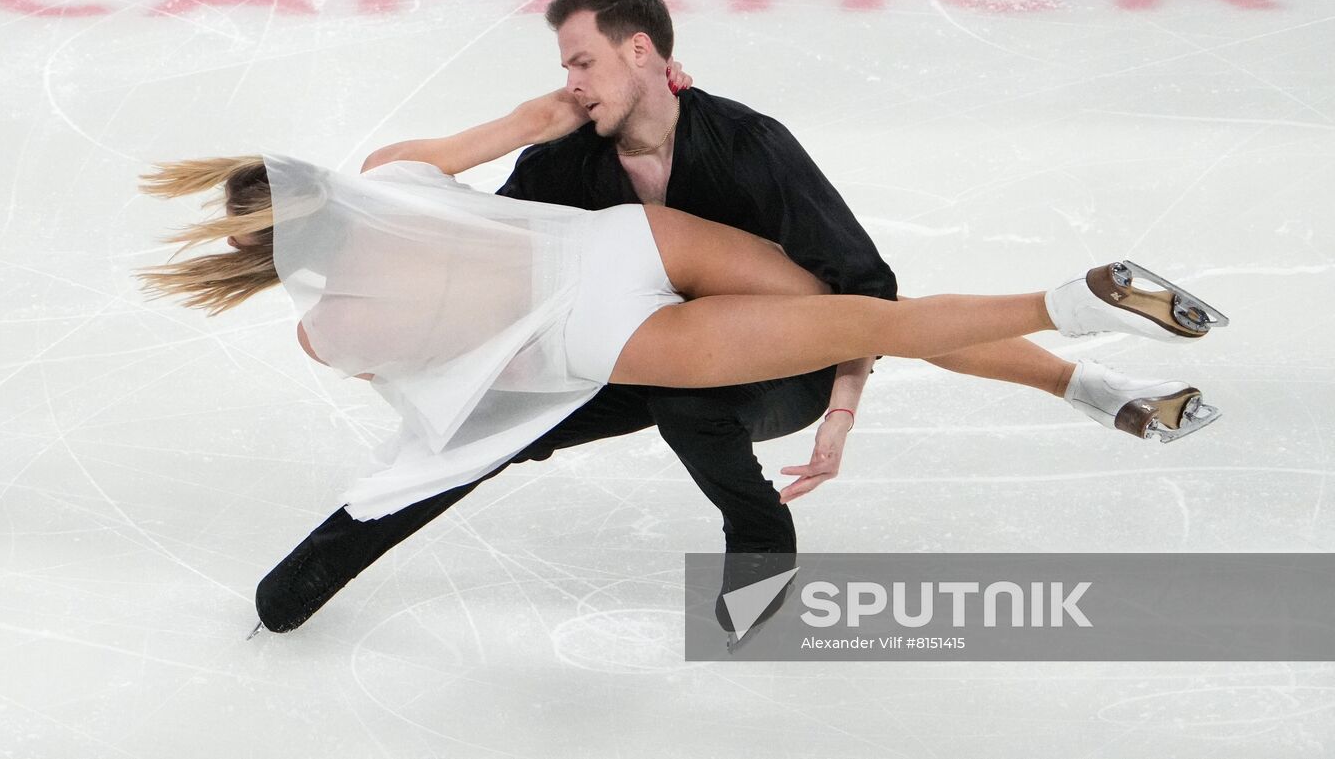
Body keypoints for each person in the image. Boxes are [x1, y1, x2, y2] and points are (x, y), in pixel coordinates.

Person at [137, 82, 1228, 632]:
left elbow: (462, 379)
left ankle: (1071, 322)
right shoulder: (397, 171)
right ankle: (1080, 331)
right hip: (633, 241)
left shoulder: (331, 328)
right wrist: (640, 100)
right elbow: (546, 109)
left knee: (866, 329)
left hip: (612, 339)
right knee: (868, 311)